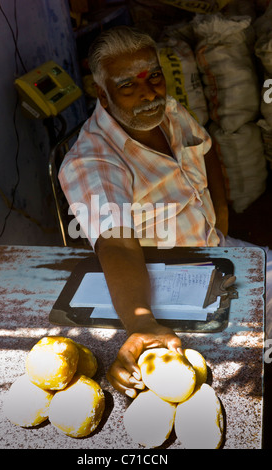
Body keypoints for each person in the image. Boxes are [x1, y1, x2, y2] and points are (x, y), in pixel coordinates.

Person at [59, 25, 272, 399]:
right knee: (229, 376)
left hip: (217, 252)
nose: (148, 93)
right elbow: (118, 247)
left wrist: (220, 226)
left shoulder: (170, 112)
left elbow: (207, 153)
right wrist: (141, 321)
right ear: (102, 94)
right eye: (128, 86)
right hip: (167, 283)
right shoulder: (92, 161)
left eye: (154, 76)